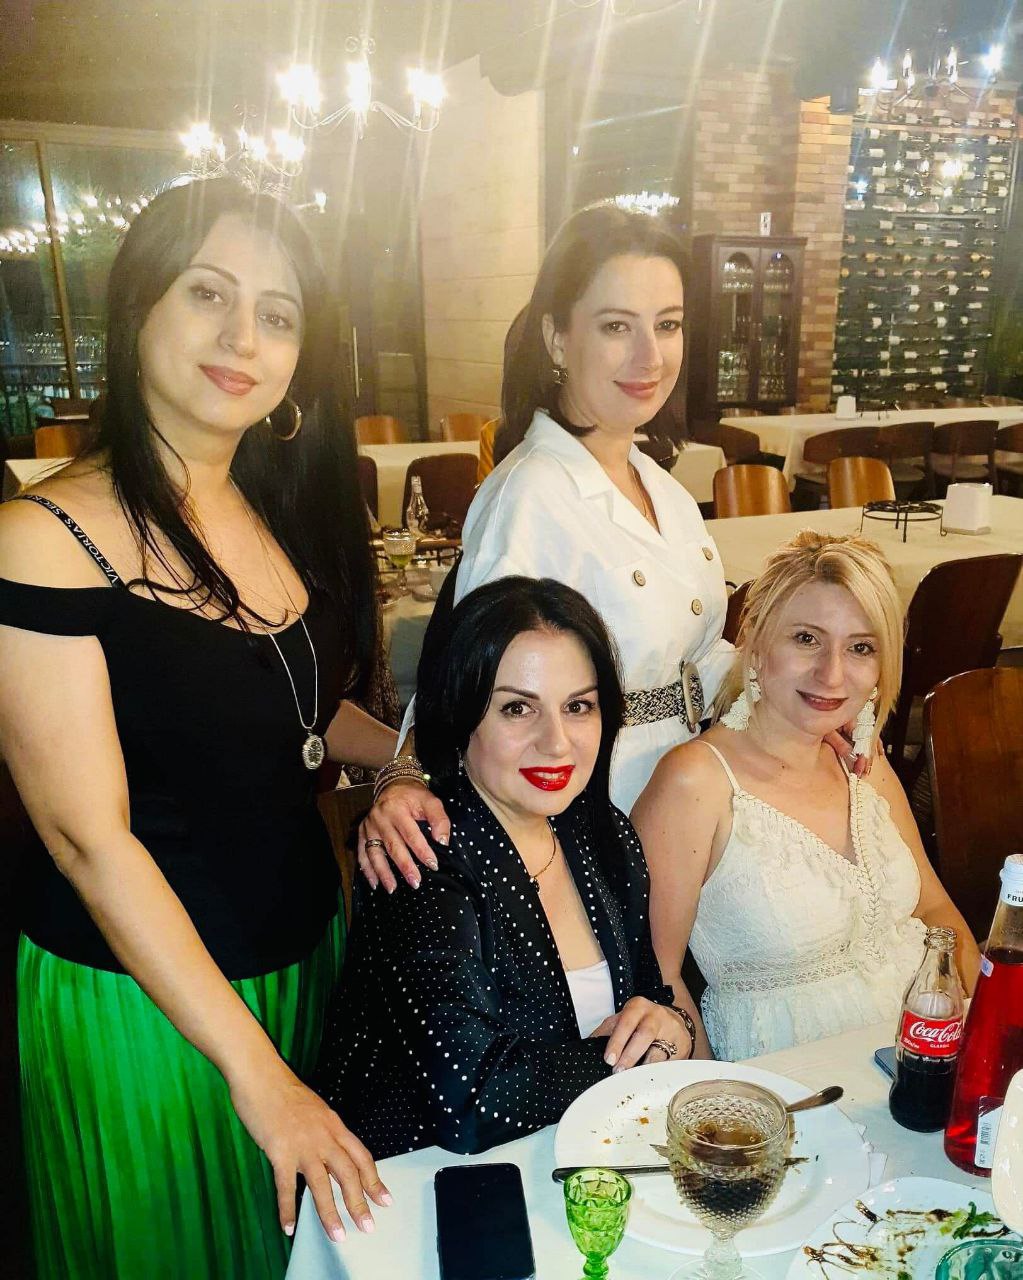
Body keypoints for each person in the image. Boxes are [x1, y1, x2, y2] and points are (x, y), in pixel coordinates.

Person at [0, 177, 394, 1279]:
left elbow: (289, 710)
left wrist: (411, 759)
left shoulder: (269, 504)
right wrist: (260, 1078)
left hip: (304, 957)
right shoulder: (42, 536)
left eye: (278, 314)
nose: (243, 338)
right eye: (207, 294)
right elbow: (88, 840)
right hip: (147, 1007)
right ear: (138, 308)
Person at [360, 202, 736, 891]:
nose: (651, 357)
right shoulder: (530, 495)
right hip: (590, 824)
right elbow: (470, 679)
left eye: (668, 324)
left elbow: (698, 656)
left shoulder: (661, 486)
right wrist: (408, 768)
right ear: (557, 339)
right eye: (616, 326)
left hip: (687, 808)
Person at [316, 577, 701, 1158]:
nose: (557, 743)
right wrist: (629, 1056)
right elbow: (469, 1100)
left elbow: (652, 999)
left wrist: (674, 1027)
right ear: (459, 715)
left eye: (578, 706)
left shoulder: (604, 836)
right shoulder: (419, 858)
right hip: (431, 1186)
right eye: (517, 708)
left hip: (586, 1158)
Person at [632, 531, 982, 1062]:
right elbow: (656, 979)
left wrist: (979, 1038)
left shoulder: (864, 763)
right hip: (790, 1080)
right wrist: (713, 1097)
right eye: (806, 639)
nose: (832, 673)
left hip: (924, 1056)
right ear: (755, 642)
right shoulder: (695, 782)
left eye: (861, 647)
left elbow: (936, 912)